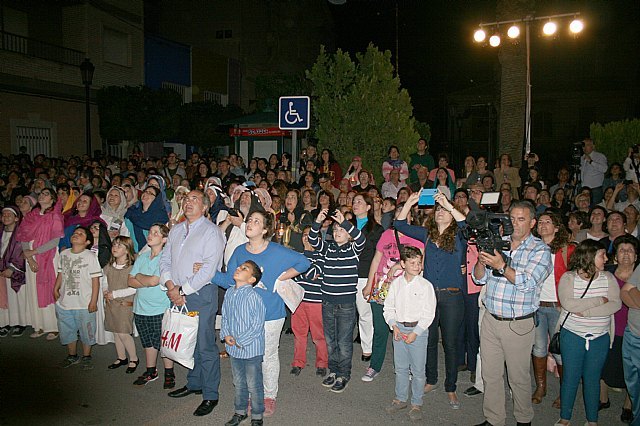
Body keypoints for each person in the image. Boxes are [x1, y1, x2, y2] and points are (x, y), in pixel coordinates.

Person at [212, 210, 310, 416]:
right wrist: (208, 274)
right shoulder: (239, 251)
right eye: (249, 220)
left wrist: (281, 278)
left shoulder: (277, 251)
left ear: (265, 229)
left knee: (267, 356)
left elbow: (304, 263)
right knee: (247, 356)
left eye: (256, 221)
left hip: (271, 315)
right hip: (244, 316)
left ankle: (269, 396)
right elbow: (231, 281)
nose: (250, 223)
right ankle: (251, 394)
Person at [472, 200, 553, 426]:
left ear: (532, 222)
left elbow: (527, 283)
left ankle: (523, 419)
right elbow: (479, 278)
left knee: (518, 378)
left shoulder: (540, 250)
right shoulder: (500, 242)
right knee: (491, 375)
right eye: (512, 218)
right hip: (491, 319)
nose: (515, 224)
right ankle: (494, 419)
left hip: (518, 323)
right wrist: (481, 260)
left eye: (521, 219)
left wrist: (500, 265)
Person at [394, 190, 467, 409]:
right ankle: (432, 379)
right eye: (438, 210)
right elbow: (400, 225)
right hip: (428, 297)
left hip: (452, 295)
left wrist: (448, 203)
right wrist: (409, 202)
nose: (440, 213)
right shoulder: (427, 234)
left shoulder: (458, 235)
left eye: (445, 210)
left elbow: (467, 226)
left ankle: (451, 386)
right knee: (430, 341)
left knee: (451, 344)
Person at [161, 190, 226, 417]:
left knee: (205, 344)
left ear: (205, 206)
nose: (188, 202)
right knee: (188, 340)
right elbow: (165, 260)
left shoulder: (212, 232)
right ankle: (195, 383)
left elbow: (209, 269)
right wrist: (171, 286)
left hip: (200, 294)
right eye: (186, 199)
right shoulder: (177, 230)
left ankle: (210, 394)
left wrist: (182, 290)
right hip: (176, 292)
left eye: (195, 199)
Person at [554, 239, 622, 426]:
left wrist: (587, 312)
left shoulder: (608, 277)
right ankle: (565, 417)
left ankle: (592, 419)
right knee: (570, 377)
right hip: (573, 335)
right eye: (602, 255)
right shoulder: (569, 278)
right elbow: (568, 304)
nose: (606, 258)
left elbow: (615, 304)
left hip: (599, 337)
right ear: (589, 257)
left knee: (593, 378)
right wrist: (600, 300)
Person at [361, 204, 424, 382]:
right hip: (382, 287)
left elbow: (420, 265)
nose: (401, 218)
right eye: (397, 215)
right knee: (380, 329)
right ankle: (374, 366)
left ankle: (407, 368)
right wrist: (369, 284)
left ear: (411, 218)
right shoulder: (387, 234)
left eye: (405, 215)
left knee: (404, 330)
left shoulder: (418, 238)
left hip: (405, 290)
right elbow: (376, 259)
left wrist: (399, 265)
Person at [310, 208, 365, 394]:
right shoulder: (328, 248)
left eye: (341, 230)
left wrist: (345, 222)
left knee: (343, 341)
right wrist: (317, 221)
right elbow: (312, 240)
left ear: (349, 235)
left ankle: (344, 374)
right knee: (330, 340)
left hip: (346, 304)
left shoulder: (353, 249)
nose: (337, 232)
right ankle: (333, 370)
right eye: (334, 230)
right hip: (327, 302)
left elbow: (361, 239)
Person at [383, 246, 437, 422]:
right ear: (403, 264)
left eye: (419, 262)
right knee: (400, 367)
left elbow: (429, 313)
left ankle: (416, 403)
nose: (416, 266)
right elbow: (389, 307)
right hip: (399, 328)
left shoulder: (425, 285)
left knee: (418, 370)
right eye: (412, 262)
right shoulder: (396, 284)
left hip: (417, 332)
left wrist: (416, 332)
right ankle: (400, 399)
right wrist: (393, 325)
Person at [533, 212, 575, 408]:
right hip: (536, 305)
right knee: (539, 348)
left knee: (560, 351)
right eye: (540, 222)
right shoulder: (532, 247)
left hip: (558, 306)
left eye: (547, 222)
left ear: (557, 227)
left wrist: (568, 302)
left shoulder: (567, 250)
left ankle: (564, 391)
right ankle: (541, 387)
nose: (543, 225)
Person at [221, 260, 266, 426]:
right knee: (238, 382)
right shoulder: (229, 293)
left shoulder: (253, 297)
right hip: (234, 349)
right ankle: (240, 412)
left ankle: (257, 415)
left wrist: (240, 341)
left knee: (254, 384)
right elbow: (225, 316)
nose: (239, 268)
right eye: (239, 267)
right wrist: (225, 335)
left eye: (244, 268)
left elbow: (257, 326)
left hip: (251, 349)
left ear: (251, 279)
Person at [128, 224, 174, 386]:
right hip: (141, 308)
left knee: (163, 342)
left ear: (164, 239)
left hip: (159, 308)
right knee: (147, 342)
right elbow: (130, 281)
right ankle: (151, 370)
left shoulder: (165, 258)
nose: (150, 234)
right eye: (150, 231)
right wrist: (145, 279)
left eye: (156, 233)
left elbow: (155, 280)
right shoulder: (142, 257)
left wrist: (140, 276)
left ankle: (169, 372)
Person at [17, 188, 64, 340]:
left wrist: (34, 252)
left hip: (47, 256)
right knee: (33, 290)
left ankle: (53, 325)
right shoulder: (31, 215)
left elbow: (55, 241)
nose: (42, 196)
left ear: (52, 199)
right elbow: (23, 236)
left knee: (48, 287)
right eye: (41, 193)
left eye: (46, 194)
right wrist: (29, 257)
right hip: (31, 256)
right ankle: (39, 325)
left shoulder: (55, 215)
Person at [53, 226, 102, 370]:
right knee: (67, 330)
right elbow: (61, 273)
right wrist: (56, 288)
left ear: (87, 242)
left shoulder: (90, 256)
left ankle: (87, 356)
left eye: (80, 234)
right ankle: (72, 355)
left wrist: (93, 301)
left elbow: (95, 280)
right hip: (65, 302)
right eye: (75, 233)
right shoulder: (64, 254)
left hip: (84, 303)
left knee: (87, 330)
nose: (76, 235)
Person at [600, 235, 637, 423]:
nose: (626, 254)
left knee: (631, 370)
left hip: (632, 330)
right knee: (604, 365)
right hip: (608, 328)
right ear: (615, 256)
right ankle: (603, 399)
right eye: (622, 250)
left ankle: (628, 405)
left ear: (636, 255)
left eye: (630, 250)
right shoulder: (607, 273)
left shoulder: (638, 275)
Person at [290, 227, 328, 378]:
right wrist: (305, 274)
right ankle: (298, 362)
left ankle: (322, 363)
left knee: (319, 335)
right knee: (299, 334)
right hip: (298, 301)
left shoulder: (322, 256)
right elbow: (294, 277)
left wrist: (302, 273)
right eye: (304, 235)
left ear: (318, 239)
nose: (306, 238)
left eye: (310, 236)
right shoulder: (297, 256)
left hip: (316, 301)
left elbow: (309, 273)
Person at [351, 193, 384, 363]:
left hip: (364, 275)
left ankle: (367, 347)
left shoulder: (376, 229)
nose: (355, 204)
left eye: (359, 202)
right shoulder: (347, 226)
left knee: (364, 314)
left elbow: (379, 258)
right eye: (354, 202)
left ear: (369, 207)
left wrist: (371, 282)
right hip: (347, 273)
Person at [103, 236, 139, 374]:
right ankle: (121, 357)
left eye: (119, 246)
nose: (115, 248)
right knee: (115, 332)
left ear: (127, 250)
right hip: (112, 304)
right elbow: (104, 280)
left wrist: (115, 294)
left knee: (123, 332)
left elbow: (134, 288)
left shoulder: (131, 268)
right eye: (114, 245)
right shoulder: (109, 266)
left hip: (125, 304)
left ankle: (134, 358)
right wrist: (105, 291)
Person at [0, 207, 27, 338]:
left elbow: (21, 253)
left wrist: (11, 268)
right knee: (3, 299)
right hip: (1, 270)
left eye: (9, 214)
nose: (5, 216)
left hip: (13, 270)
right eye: (3, 214)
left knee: (15, 299)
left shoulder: (20, 234)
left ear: (16, 218)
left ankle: (18, 323)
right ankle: (4, 323)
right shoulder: (1, 232)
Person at [580, 138, 608, 205]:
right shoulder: (582, 157)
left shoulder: (600, 156)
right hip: (583, 189)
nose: (585, 147)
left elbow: (604, 169)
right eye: (583, 145)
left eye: (587, 145)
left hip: (595, 190)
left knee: (595, 208)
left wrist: (591, 161)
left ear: (593, 146)